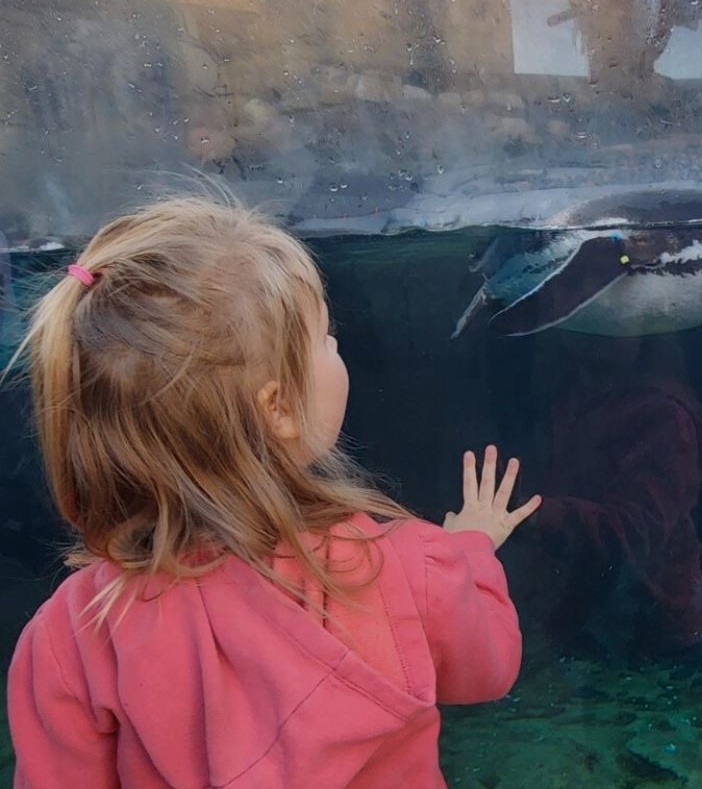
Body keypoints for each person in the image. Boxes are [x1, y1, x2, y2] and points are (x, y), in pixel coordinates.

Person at [4, 197, 541, 788]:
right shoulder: (400, 570)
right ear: (278, 407)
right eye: (325, 338)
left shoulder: (72, 634)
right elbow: (488, 665)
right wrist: (469, 550)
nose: (337, 348)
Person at [516, 332, 702, 662]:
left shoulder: (664, 414)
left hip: (652, 631)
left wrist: (537, 515)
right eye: (586, 321)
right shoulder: (569, 396)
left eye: (614, 323)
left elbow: (638, 531)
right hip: (583, 617)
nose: (596, 333)